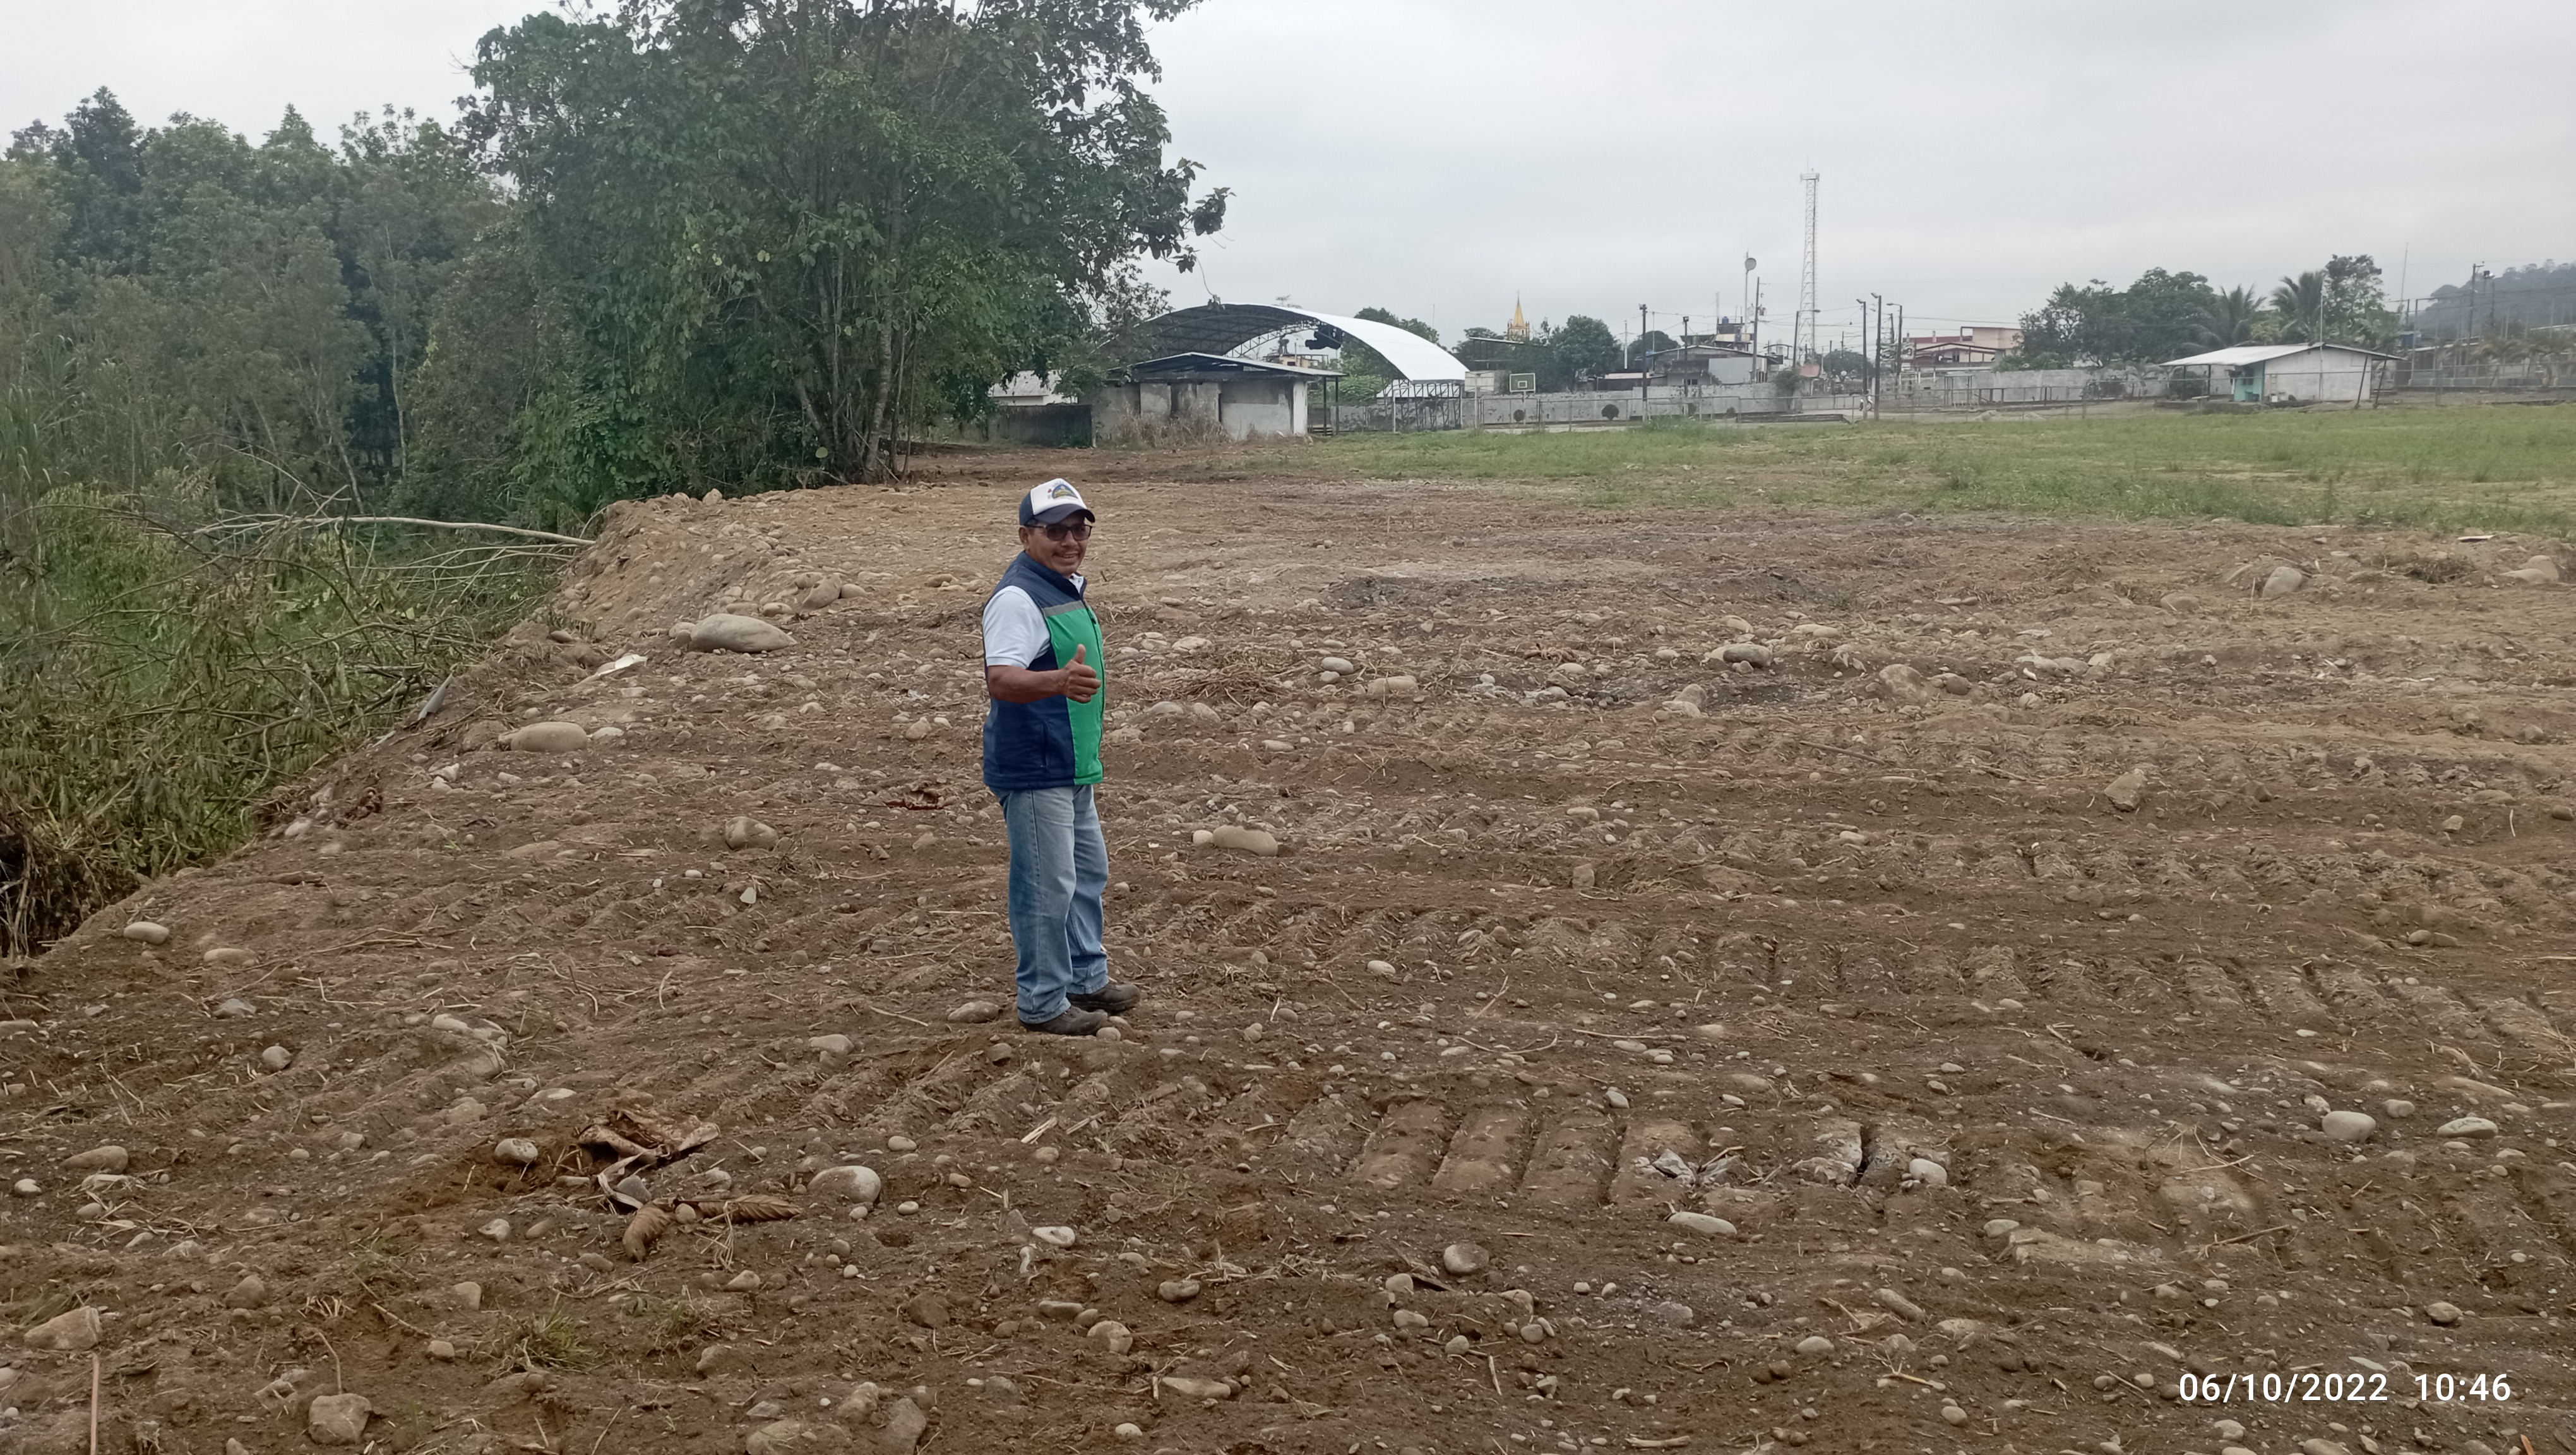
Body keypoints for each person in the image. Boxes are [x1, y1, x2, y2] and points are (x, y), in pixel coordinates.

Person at [981, 479, 1141, 1035]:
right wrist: (1057, 681)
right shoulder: (1017, 598)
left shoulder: (1061, 586)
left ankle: (1085, 978)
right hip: (1036, 766)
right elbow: (1001, 679)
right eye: (1056, 531)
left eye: (1079, 529)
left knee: (1086, 874)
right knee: (1047, 886)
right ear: (1026, 536)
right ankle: (1043, 1001)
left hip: (1071, 763)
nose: (1071, 541)